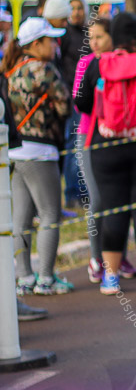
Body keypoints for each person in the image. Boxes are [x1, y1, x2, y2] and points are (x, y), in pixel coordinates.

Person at [75, 12, 136, 295]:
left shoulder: (97, 65)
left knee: (112, 207)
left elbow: (81, 102)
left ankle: (111, 278)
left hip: (106, 146)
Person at [4, 18, 72, 296]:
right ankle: (46, 278)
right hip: (42, 150)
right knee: (49, 215)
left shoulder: (11, 70)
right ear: (36, 44)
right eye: (50, 40)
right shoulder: (44, 70)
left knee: (20, 219)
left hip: (16, 150)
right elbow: (65, 104)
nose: (55, 45)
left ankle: (24, 277)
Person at [74, 17, 136, 284]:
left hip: (119, 139)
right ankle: (95, 257)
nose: (95, 43)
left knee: (121, 200)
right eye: (91, 38)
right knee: (99, 199)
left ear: (112, 37)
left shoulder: (123, 60)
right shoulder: (86, 63)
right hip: (90, 138)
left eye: (100, 37)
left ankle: (118, 256)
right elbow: (79, 102)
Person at [58, 0, 91, 210]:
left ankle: (85, 191)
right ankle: (72, 193)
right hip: (72, 98)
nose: (76, 12)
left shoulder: (89, 33)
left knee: (85, 145)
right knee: (73, 145)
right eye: (72, 8)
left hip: (89, 98)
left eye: (79, 8)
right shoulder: (64, 35)